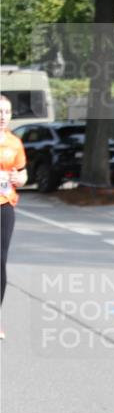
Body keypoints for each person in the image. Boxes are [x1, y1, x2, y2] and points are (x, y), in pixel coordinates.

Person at [0, 95, 28, 339]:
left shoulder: (14, 143)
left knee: (0, 262)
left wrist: (22, 180)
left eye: (6, 112)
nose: (2, 116)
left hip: (4, 206)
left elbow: (22, 173)